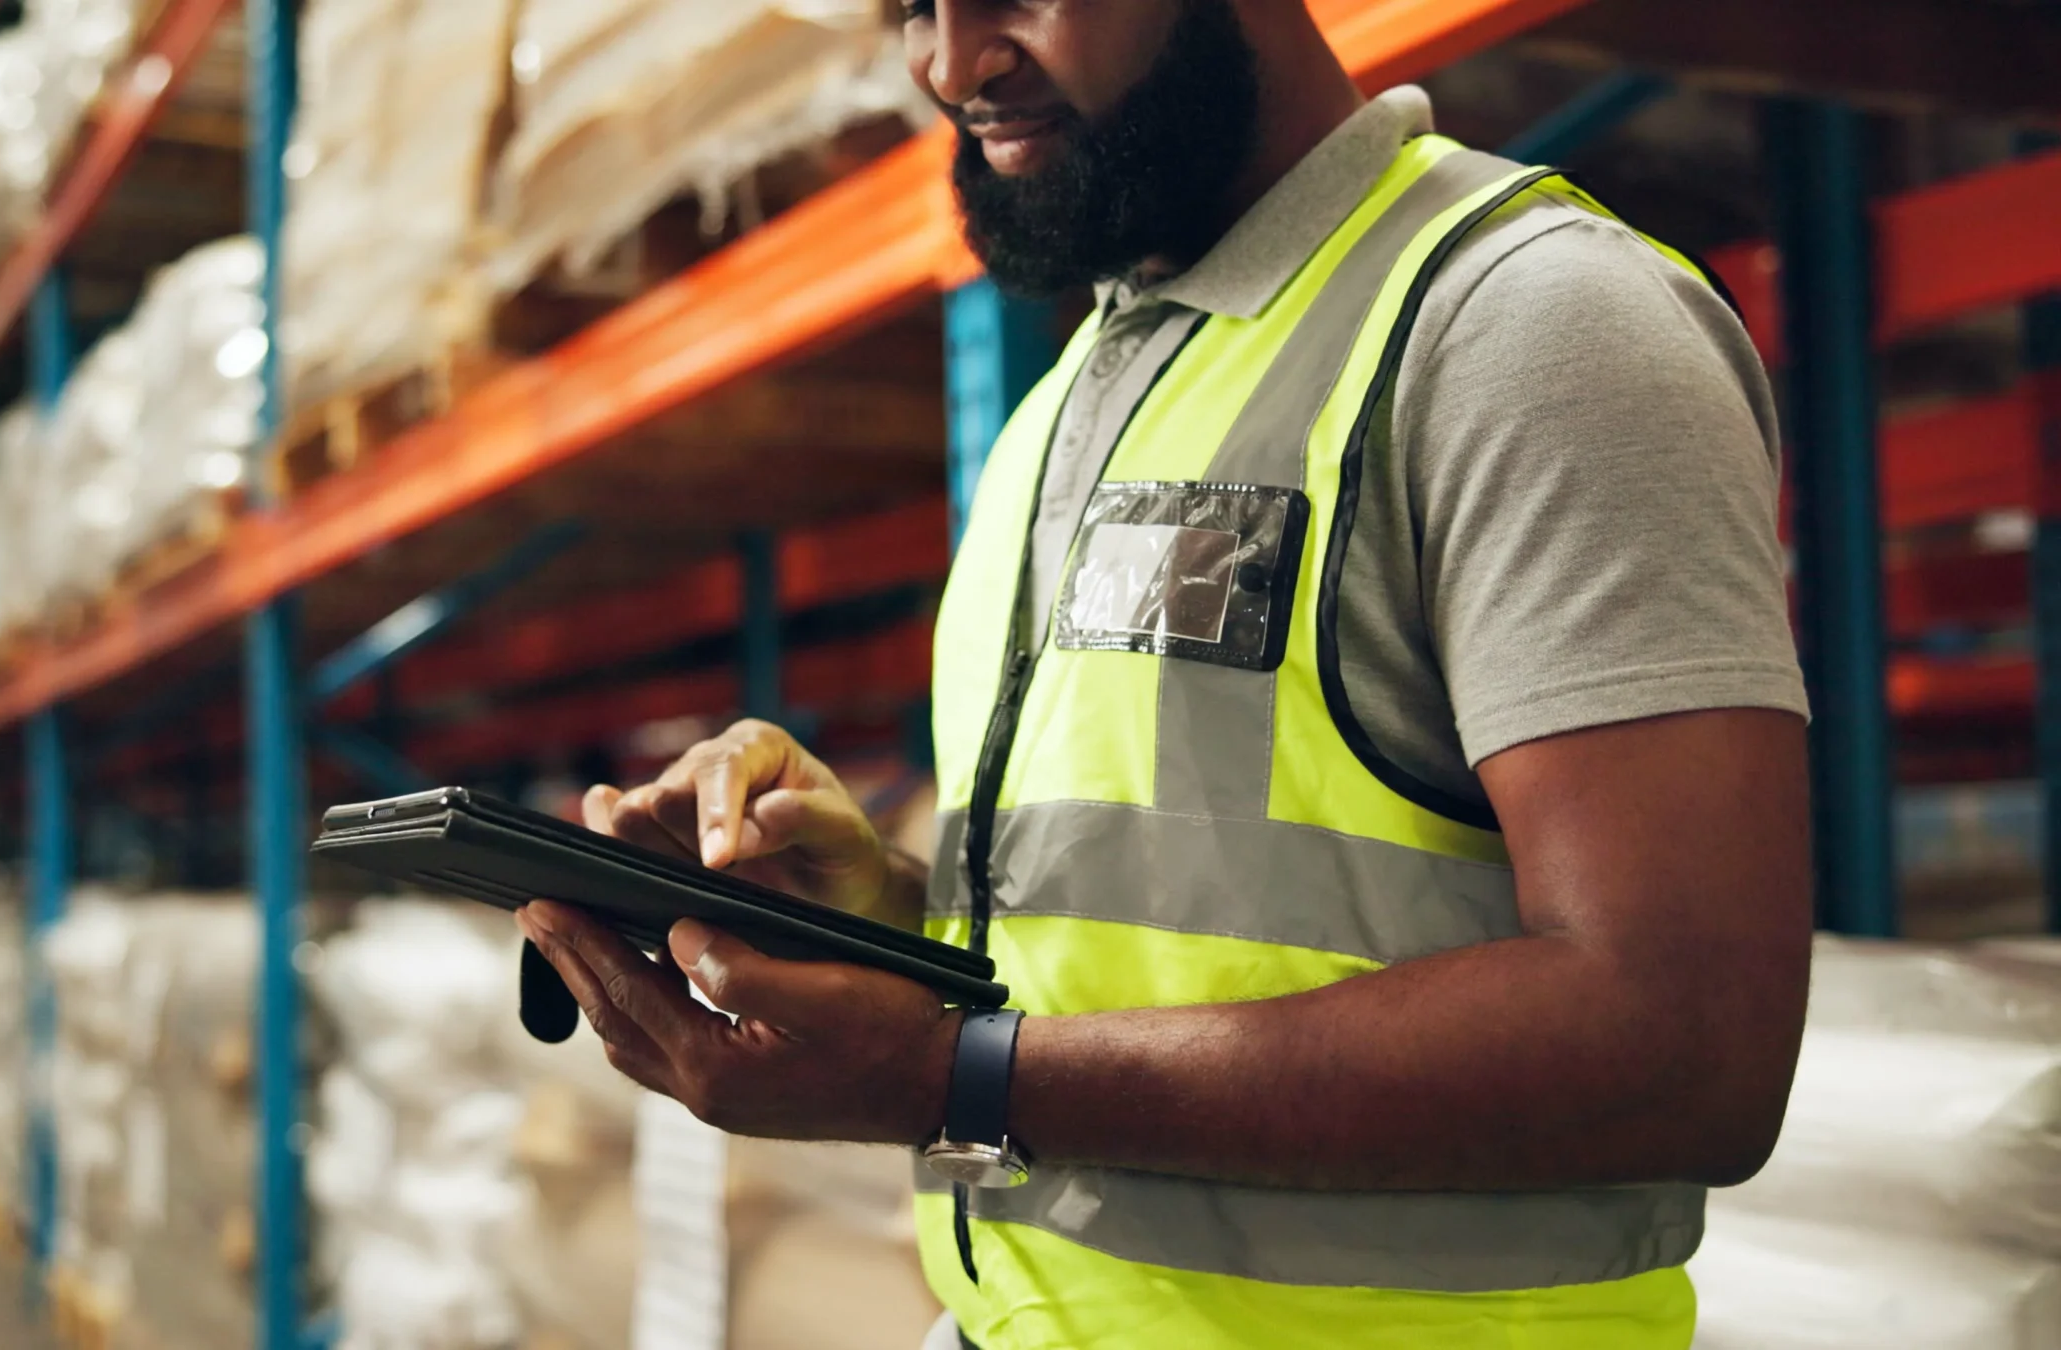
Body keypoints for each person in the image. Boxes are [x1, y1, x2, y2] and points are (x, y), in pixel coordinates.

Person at [512, 1, 1814, 1346]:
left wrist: (948, 1077)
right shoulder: (1066, 409)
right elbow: (1173, 944)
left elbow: (1686, 1040)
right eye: (913, 6)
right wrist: (884, 913)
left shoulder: (1531, 324)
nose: (952, 65)